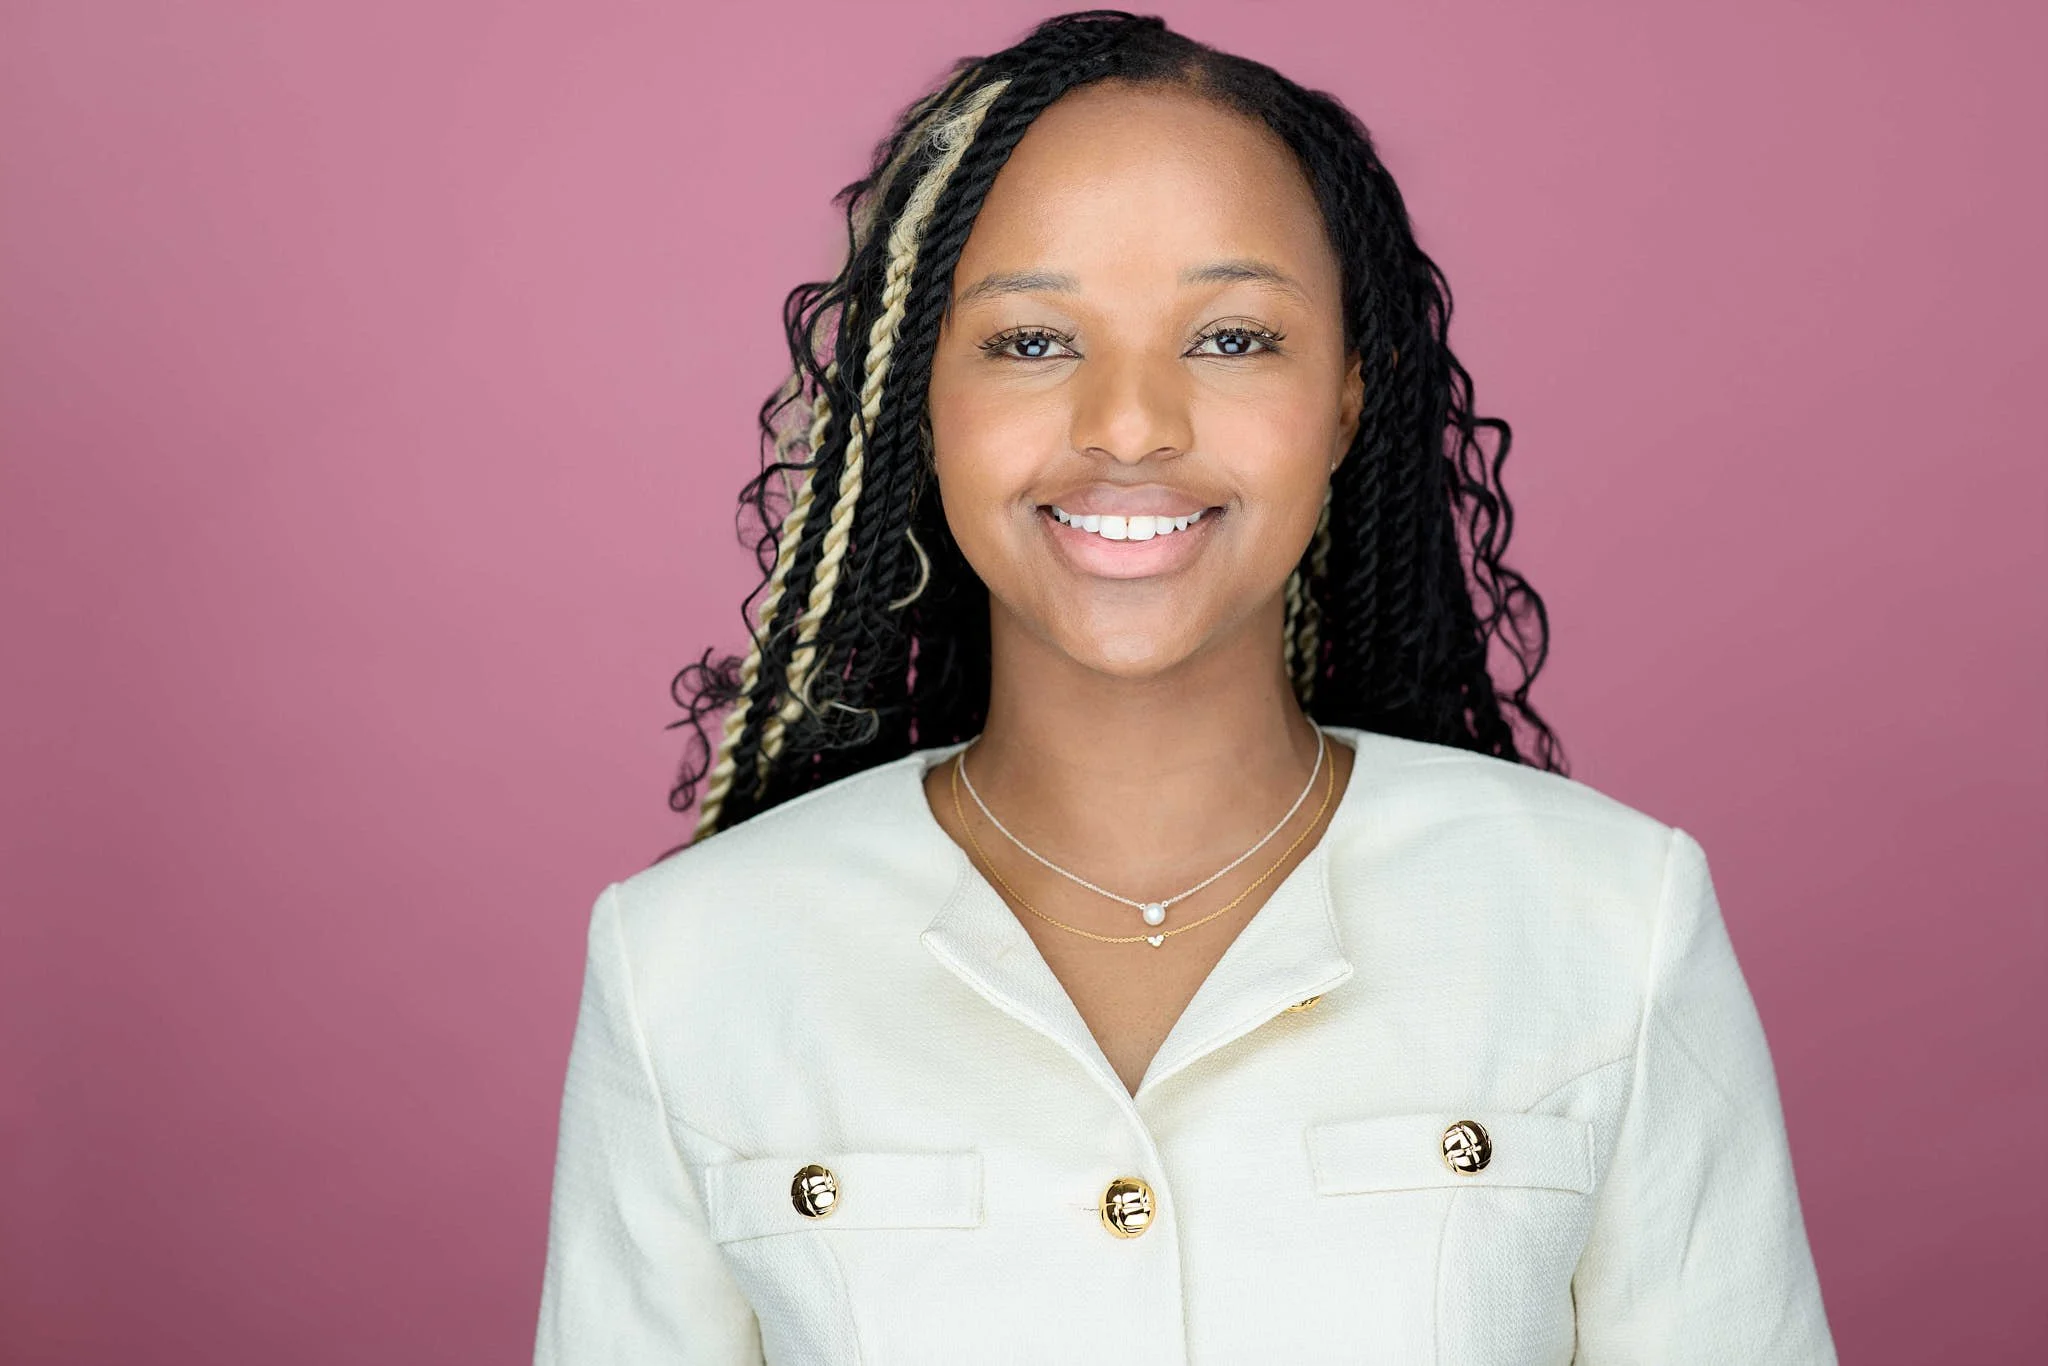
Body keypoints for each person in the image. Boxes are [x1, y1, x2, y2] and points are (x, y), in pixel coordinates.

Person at [533, 11, 1836, 1362]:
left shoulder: (1613, 925)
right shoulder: (685, 966)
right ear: (922, 398)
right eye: (1032, 340)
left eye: (1231, 338)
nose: (1133, 421)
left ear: (1346, 398)